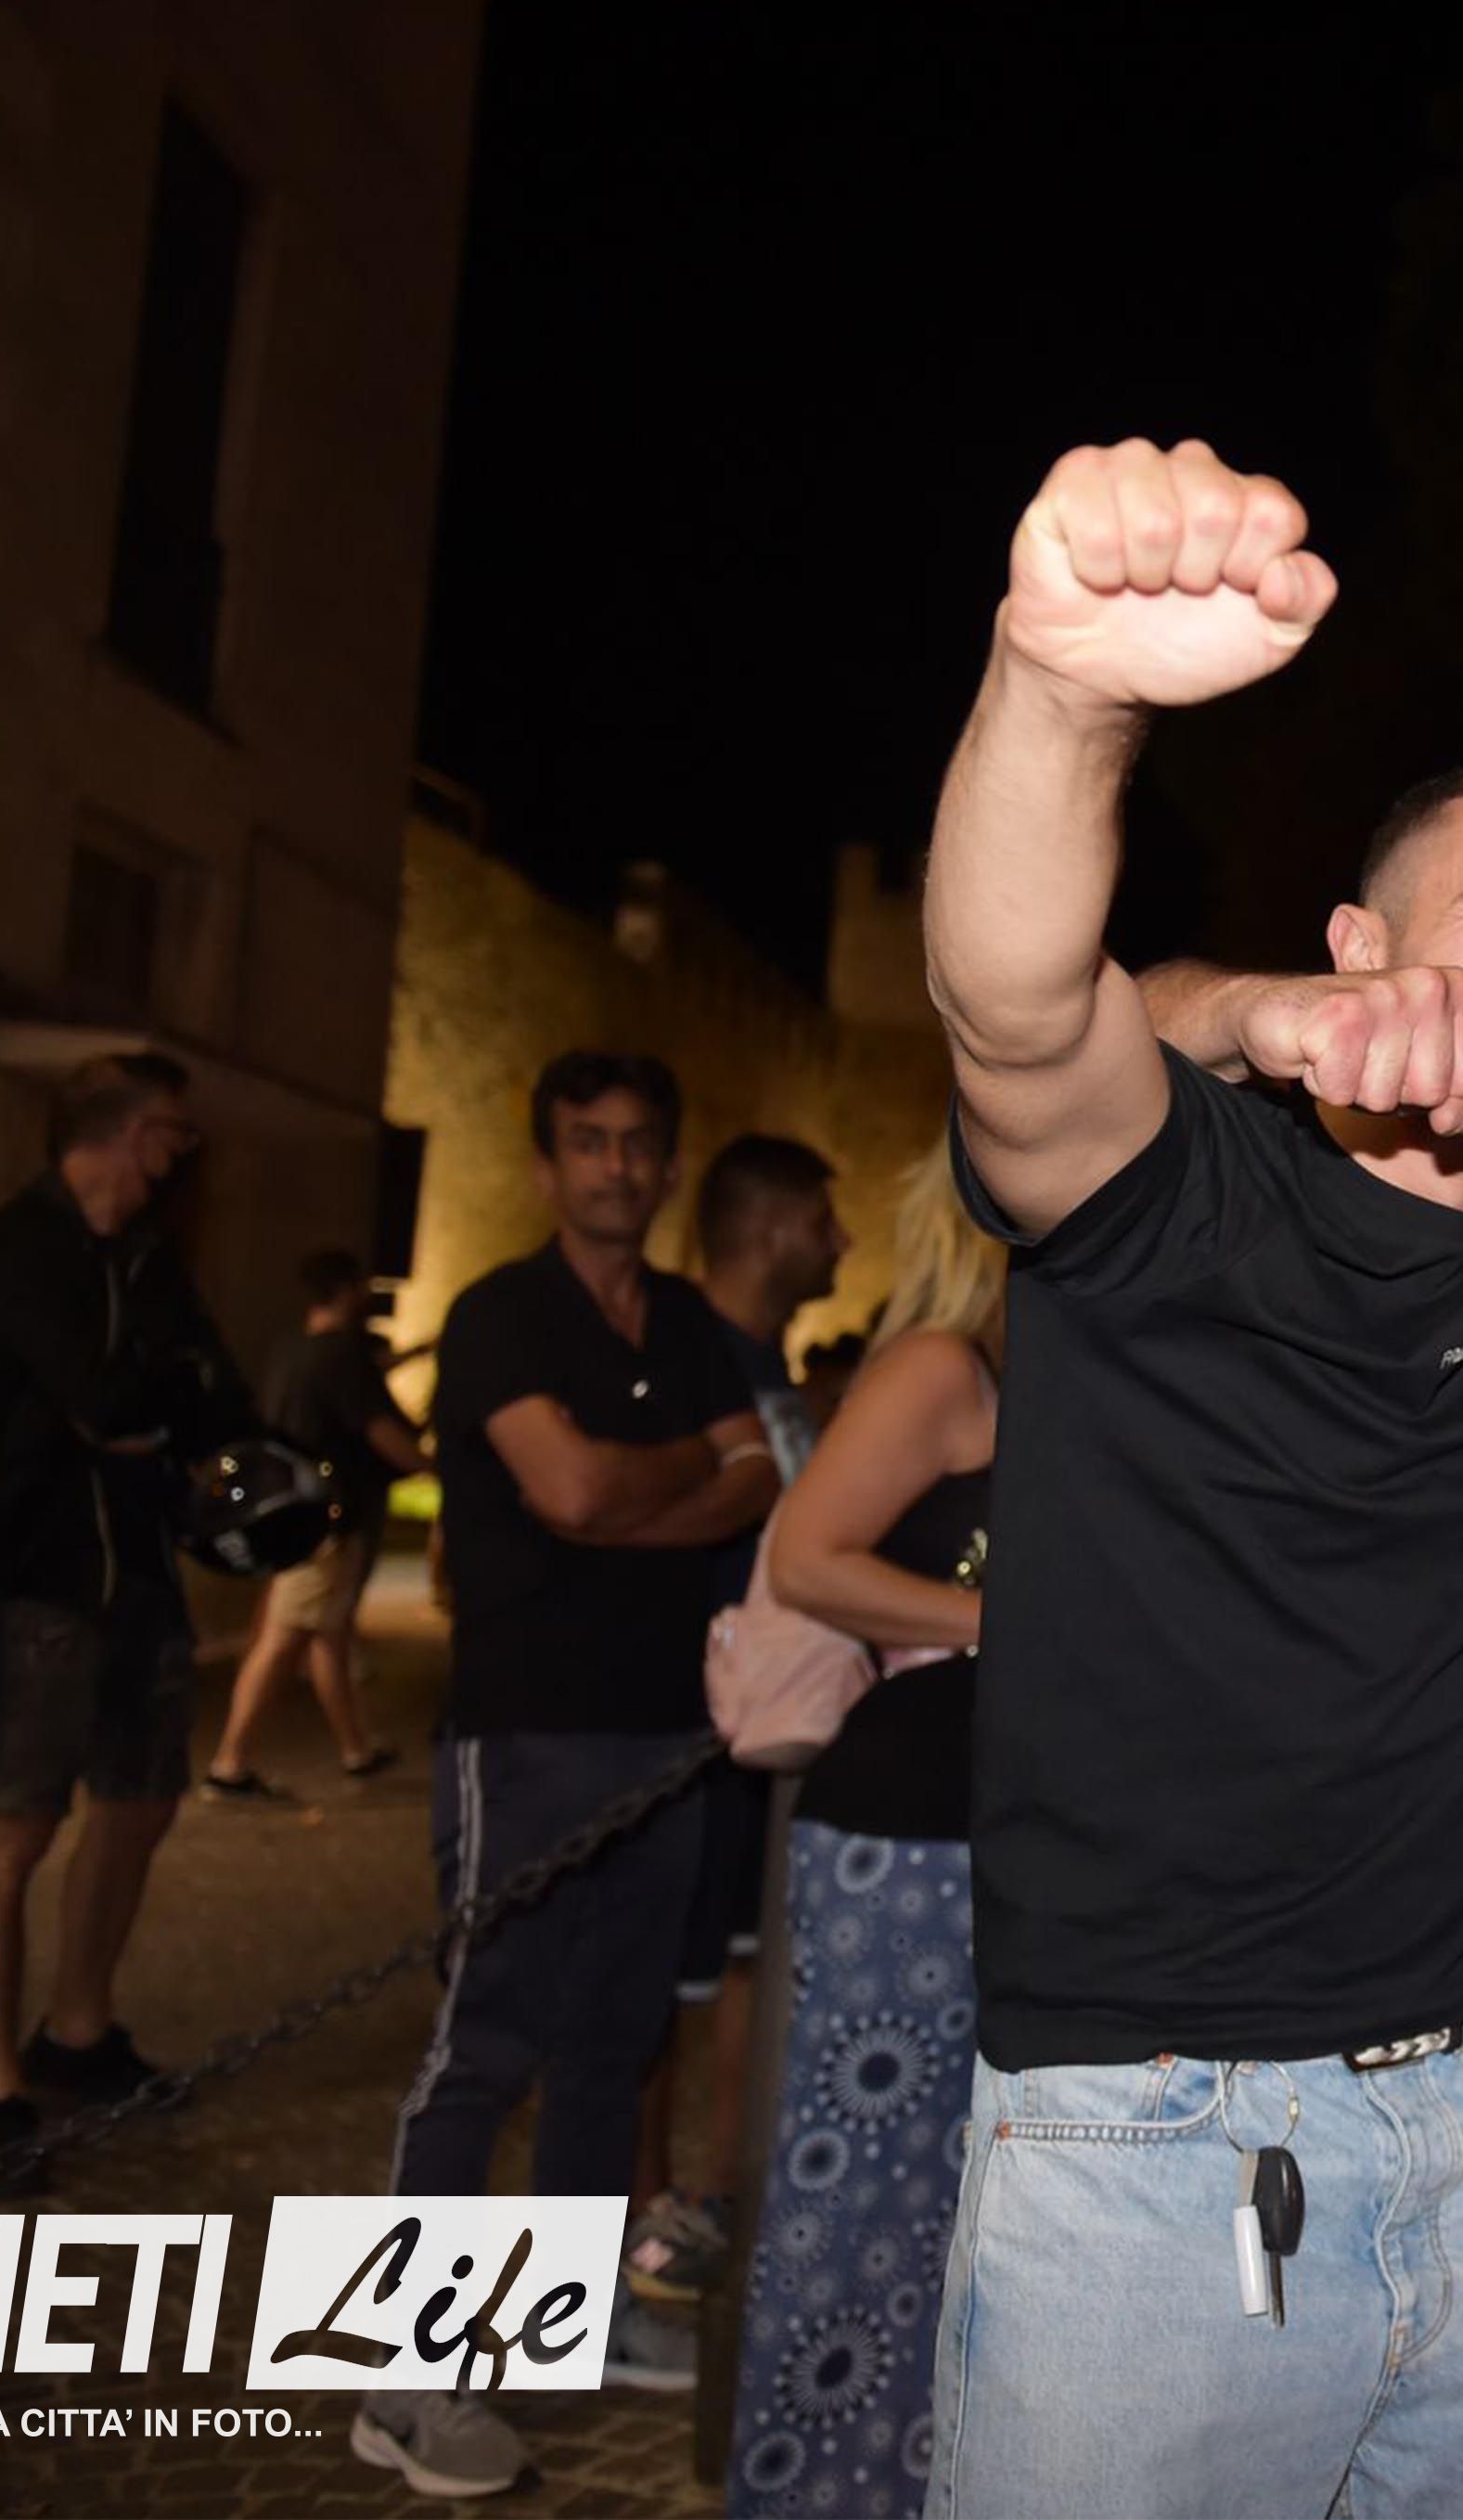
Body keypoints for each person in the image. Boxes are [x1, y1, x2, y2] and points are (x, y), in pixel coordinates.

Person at [918, 435, 1463, 2518]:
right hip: (1146, 2158)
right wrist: (1060, 692)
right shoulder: (1169, 1194)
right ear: (1355, 939)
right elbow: (1019, 1007)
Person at [348, 1052, 775, 2502]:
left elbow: (748, 1478)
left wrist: (618, 1492)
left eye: (638, 1142)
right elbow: (571, 1487)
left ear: (667, 1165)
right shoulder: (500, 1314)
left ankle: (567, 2318)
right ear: (548, 1164)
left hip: (667, 1735)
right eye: (588, 1141)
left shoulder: (694, 1323)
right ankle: (405, 2372)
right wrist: (664, 1476)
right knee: (487, 2041)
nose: (615, 1165)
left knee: (613, 2042)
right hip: (526, 1732)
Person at [725, 1137, 1000, 2517]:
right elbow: (807, 1556)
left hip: (1001, 1842)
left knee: (959, 2217)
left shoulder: (1041, 1376)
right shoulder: (939, 1368)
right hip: (903, 1845)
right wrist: (999, 1621)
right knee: (862, 2211)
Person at [0, 1052, 251, 2174]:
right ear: (127, 1131)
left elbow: (216, 1395)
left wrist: (154, 1412)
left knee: (141, 1800)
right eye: (175, 1132)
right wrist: (146, 1406)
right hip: (42, 1578)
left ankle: (78, 2029)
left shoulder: (150, 1258)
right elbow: (105, 1397)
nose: (185, 1154)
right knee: (14, 1826)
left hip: (141, 1573)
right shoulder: (16, 1246)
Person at [635, 1133, 853, 2314]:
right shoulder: (681, 1354)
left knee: (740, 1961)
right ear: (771, 1229)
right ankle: (643, 2221)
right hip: (677, 1711)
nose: (841, 1243)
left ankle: (719, 2199)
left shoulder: (768, 1368)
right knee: (654, 1983)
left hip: (757, 1719)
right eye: (822, 1221)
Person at [206, 1249, 424, 1797]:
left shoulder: (290, 1350)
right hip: (324, 1520)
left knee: (325, 1632)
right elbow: (381, 1433)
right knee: (285, 1636)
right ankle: (230, 1764)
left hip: (293, 1509)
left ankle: (357, 1749)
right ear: (349, 1289)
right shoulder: (342, 1357)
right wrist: (434, 1467)